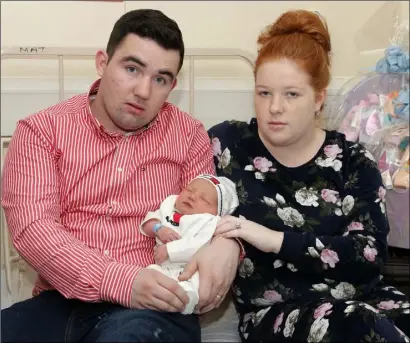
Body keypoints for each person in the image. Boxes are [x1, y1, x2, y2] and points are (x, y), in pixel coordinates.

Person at [0, 9, 242, 342]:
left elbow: (211, 218)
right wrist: (121, 282)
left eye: (160, 79)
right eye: (132, 69)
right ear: (102, 63)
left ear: (172, 85)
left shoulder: (188, 136)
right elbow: (33, 230)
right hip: (59, 301)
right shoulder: (41, 132)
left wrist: (229, 244)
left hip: (152, 309)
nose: (143, 90)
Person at [208, 9, 410, 343]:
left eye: (291, 94)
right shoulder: (226, 147)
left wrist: (274, 239)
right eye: (264, 93)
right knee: (356, 325)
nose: (274, 107)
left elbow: (371, 254)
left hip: (366, 298)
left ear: (318, 99)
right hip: (277, 313)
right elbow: (184, 208)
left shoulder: (352, 162)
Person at [140, 174, 239, 315]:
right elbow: (149, 221)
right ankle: (158, 302)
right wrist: (158, 229)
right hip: (165, 268)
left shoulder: (209, 222)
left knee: (196, 285)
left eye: (203, 199)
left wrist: (169, 250)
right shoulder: (170, 205)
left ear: (217, 212)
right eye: (189, 190)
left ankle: (186, 302)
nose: (192, 197)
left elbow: (199, 245)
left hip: (191, 269)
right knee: (150, 274)